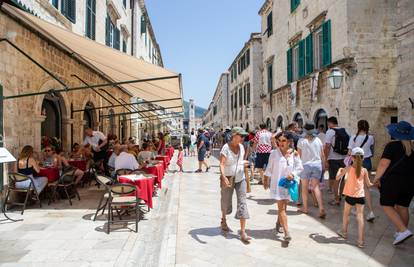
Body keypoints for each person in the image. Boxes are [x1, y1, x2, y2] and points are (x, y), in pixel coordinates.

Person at [373, 121, 414, 246]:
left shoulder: (392, 146)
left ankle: (403, 230)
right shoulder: (413, 148)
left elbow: (383, 164)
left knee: (386, 204)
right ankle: (401, 232)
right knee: (403, 207)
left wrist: (376, 178)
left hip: (393, 181)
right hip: (410, 183)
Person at [264, 131, 303, 241]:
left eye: (283, 140)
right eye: (279, 140)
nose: (281, 143)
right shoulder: (274, 153)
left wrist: (293, 174)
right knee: (281, 208)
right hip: (277, 184)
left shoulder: (294, 153)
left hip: (288, 185)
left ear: (289, 141)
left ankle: (278, 223)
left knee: (284, 206)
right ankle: (287, 232)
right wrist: (265, 179)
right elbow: (269, 168)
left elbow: (299, 167)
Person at [336, 147, 373, 248]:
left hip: (350, 196)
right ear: (363, 158)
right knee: (360, 217)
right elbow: (369, 185)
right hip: (360, 196)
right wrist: (376, 181)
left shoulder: (348, 168)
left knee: (346, 214)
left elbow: (337, 178)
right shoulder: (364, 170)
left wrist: (339, 170)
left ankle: (344, 232)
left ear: (352, 157)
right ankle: (360, 241)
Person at [219, 127, 251, 242]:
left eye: (243, 136)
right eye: (241, 136)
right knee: (226, 201)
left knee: (243, 202)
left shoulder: (242, 147)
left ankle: (243, 231)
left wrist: (244, 163)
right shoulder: (226, 148)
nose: (243, 138)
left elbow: (240, 161)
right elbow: (222, 164)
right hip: (227, 177)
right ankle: (224, 220)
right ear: (233, 135)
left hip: (240, 178)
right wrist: (223, 176)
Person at [347, 120, 376, 222]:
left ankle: (356, 208)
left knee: (355, 186)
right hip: (367, 161)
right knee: (366, 188)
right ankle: (371, 211)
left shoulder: (353, 138)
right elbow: (372, 150)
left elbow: (350, 152)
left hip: (356, 163)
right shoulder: (371, 138)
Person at [297, 123, 326, 218]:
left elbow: (299, 156)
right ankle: (321, 207)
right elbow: (322, 155)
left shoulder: (301, 141)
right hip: (317, 165)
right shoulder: (318, 140)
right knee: (316, 187)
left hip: (305, 165)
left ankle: (305, 208)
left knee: (304, 188)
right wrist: (324, 165)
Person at [323, 116, 349, 205]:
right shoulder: (344, 131)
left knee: (334, 179)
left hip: (333, 159)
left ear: (330, 123)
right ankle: (341, 195)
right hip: (344, 159)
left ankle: (336, 199)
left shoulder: (330, 132)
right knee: (342, 179)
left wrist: (325, 159)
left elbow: (327, 146)